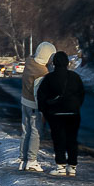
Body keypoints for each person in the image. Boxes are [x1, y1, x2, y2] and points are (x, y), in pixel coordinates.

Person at [36, 50, 85, 177]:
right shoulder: (75, 77)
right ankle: (72, 166)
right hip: (73, 113)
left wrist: (44, 110)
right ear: (67, 63)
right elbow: (81, 94)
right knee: (72, 139)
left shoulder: (49, 78)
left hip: (56, 114)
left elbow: (41, 96)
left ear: (54, 63)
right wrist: (76, 106)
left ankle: (60, 165)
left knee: (59, 139)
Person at [20, 41, 56, 171]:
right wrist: (44, 112)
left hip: (24, 101)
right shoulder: (42, 73)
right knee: (36, 132)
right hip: (34, 105)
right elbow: (39, 94)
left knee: (26, 131)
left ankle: (23, 160)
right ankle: (32, 160)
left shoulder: (29, 63)